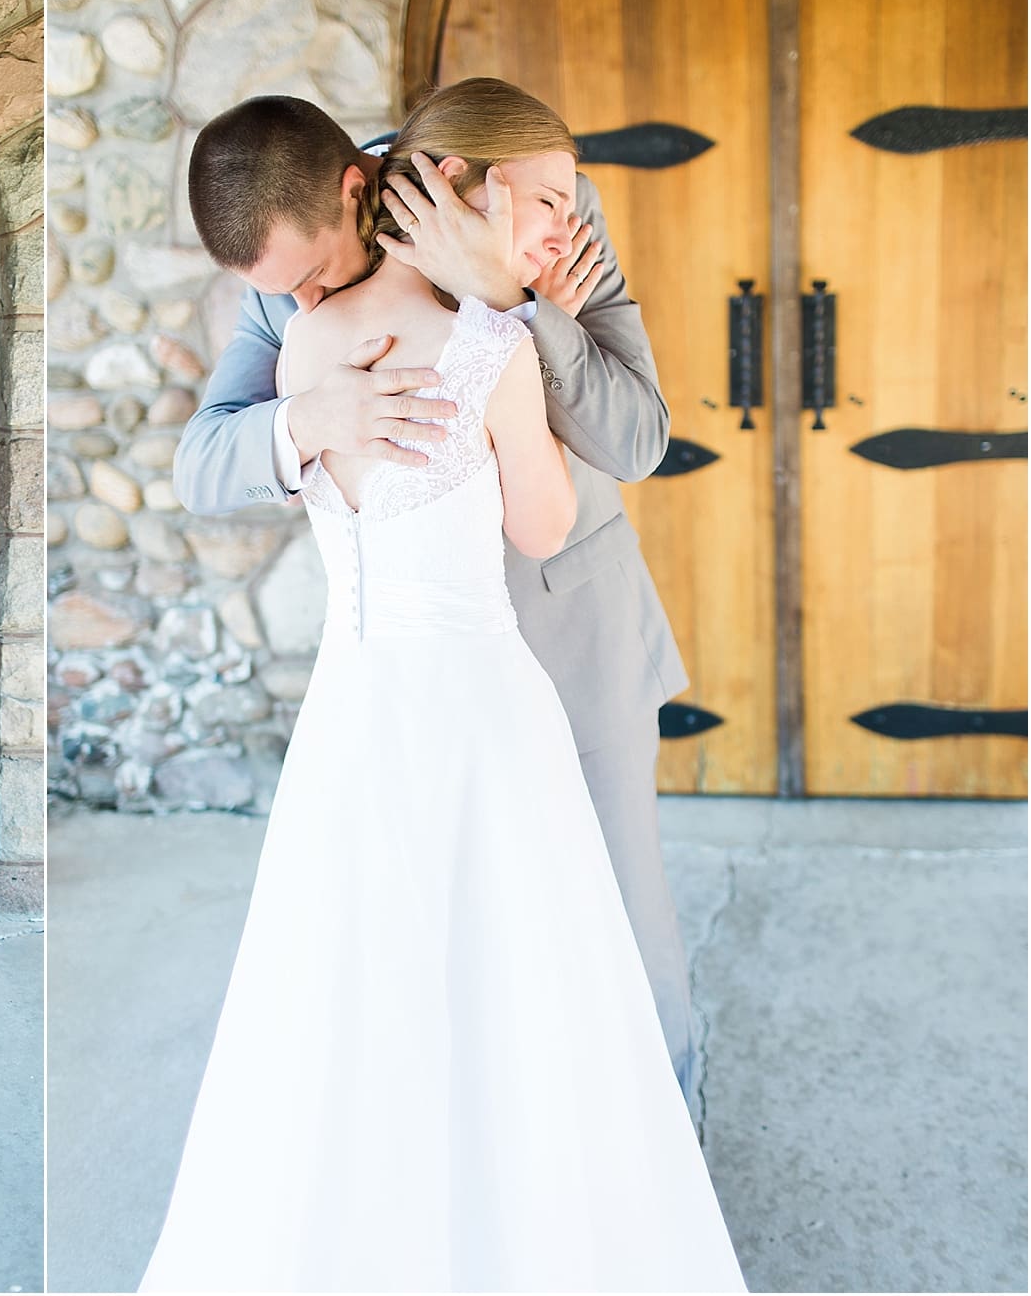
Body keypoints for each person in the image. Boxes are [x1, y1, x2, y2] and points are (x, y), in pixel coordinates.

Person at [140, 84, 743, 1290]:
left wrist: (512, 307)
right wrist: (307, 417)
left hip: (568, 641)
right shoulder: (286, 262)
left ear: (360, 189)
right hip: (405, 687)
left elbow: (636, 438)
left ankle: (653, 1208)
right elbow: (202, 460)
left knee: (620, 958)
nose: (307, 299)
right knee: (422, 971)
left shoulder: (543, 203)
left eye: (312, 277)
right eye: (290, 293)